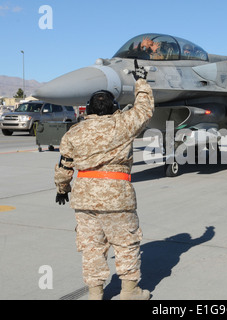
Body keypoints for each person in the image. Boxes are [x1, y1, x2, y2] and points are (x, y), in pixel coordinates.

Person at [54, 61, 154, 300]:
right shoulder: (124, 124)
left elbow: (64, 166)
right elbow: (145, 108)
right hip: (118, 197)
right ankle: (130, 293)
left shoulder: (73, 133)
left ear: (87, 110)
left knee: (91, 249)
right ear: (115, 108)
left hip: (85, 199)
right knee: (126, 245)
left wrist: (62, 188)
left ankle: (95, 294)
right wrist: (141, 81)